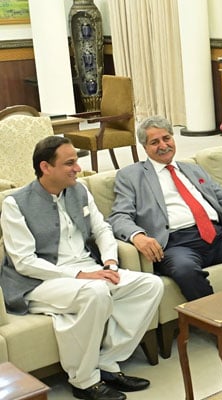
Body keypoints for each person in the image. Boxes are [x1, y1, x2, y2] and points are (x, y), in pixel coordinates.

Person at [0, 136, 164, 400]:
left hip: (88, 270)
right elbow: (24, 261)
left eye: (76, 161)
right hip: (38, 282)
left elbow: (102, 229)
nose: (78, 168)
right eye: (70, 163)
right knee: (96, 292)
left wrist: (110, 261)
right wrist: (81, 275)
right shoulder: (15, 203)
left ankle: (107, 362)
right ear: (45, 167)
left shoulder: (79, 190)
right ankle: (83, 380)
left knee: (149, 285)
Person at [108, 116, 222, 354]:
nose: (163, 145)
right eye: (154, 142)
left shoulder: (191, 169)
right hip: (178, 244)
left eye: (167, 138)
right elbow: (119, 216)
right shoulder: (131, 176)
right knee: (184, 270)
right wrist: (137, 235)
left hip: (217, 236)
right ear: (144, 147)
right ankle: (220, 325)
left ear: (173, 138)